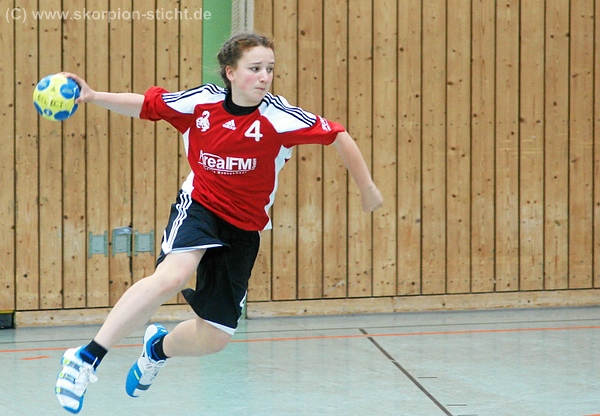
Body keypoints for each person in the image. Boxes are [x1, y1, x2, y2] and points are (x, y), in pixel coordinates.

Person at [54, 32, 383, 414]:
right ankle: (86, 357)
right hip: (200, 206)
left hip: (244, 227)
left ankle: (157, 349)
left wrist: (367, 188)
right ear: (230, 72)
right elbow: (146, 104)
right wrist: (94, 96)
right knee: (172, 277)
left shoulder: (279, 118)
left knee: (215, 338)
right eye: (254, 68)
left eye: (269, 69)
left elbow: (338, 134)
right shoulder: (201, 104)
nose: (264, 76)